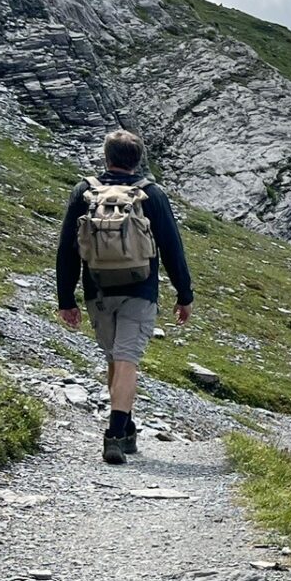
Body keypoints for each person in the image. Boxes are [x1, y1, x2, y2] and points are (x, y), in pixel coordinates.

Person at [56, 129, 193, 464]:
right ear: (137, 160)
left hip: (98, 290)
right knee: (127, 357)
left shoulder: (85, 192)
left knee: (115, 359)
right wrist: (184, 294)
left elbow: (67, 249)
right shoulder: (150, 195)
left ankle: (126, 427)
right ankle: (116, 434)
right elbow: (172, 246)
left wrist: (66, 300)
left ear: (107, 158)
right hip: (140, 289)